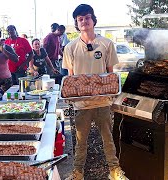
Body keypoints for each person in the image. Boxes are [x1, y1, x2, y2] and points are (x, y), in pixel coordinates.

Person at [62, 4, 128, 180]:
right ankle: (78, 172)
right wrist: (72, 97)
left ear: (93, 20)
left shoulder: (106, 44)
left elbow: (111, 74)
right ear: (77, 23)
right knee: (80, 141)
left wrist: (111, 94)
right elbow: (70, 79)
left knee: (108, 139)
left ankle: (114, 171)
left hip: (102, 102)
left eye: (87, 17)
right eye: (80, 19)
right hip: (81, 104)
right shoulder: (70, 47)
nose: (84, 21)